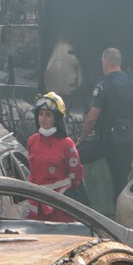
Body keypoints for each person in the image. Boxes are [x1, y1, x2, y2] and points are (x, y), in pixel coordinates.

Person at [76, 46, 133, 217]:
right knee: (120, 186)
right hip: (126, 141)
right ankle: (121, 223)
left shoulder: (104, 86)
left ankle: (79, 207)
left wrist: (81, 139)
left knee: (73, 158)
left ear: (106, 62)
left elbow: (92, 117)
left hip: (107, 141)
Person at [25, 93, 83, 222]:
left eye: (48, 115)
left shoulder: (66, 144)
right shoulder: (32, 141)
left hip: (59, 205)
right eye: (41, 114)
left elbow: (76, 175)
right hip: (36, 205)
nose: (43, 118)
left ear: (56, 118)